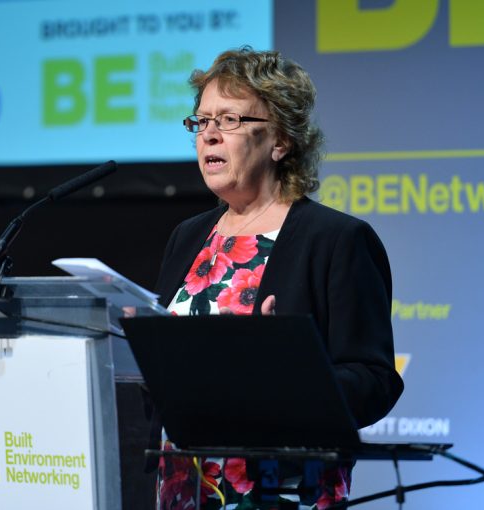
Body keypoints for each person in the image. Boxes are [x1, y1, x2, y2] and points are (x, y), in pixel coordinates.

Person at [151, 47, 404, 509]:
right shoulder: (188, 237)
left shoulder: (337, 240)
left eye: (229, 120)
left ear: (280, 140)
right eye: (201, 121)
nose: (209, 135)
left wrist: (288, 374)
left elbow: (375, 381)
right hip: (185, 490)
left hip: (283, 492)